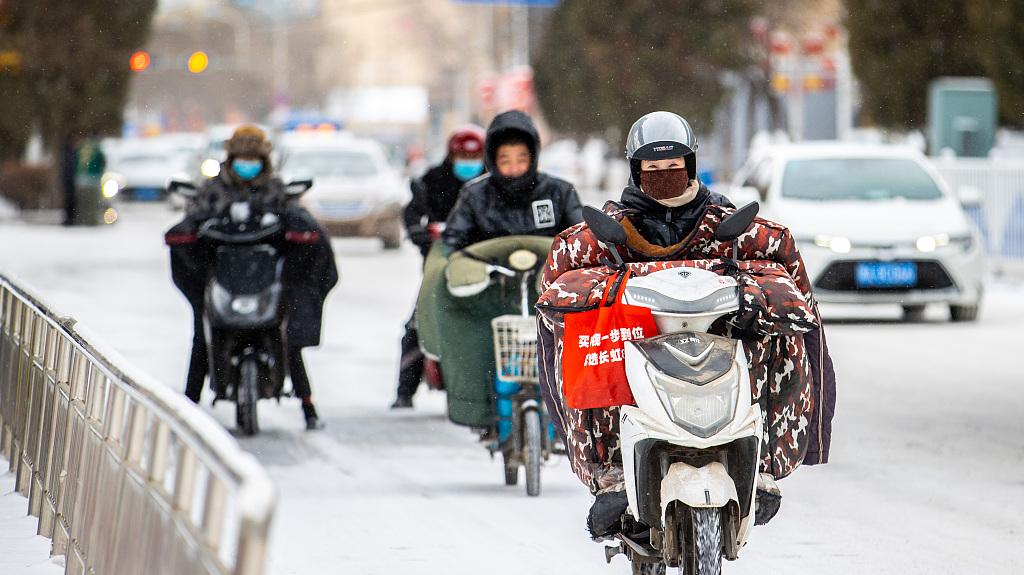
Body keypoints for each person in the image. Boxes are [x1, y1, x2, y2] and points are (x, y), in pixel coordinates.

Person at [537, 111, 836, 538]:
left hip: (720, 359)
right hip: (635, 364)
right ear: (635, 171)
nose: (664, 176)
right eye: (652, 169)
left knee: (780, 328)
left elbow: (808, 323)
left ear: (691, 166)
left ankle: (763, 461)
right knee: (585, 332)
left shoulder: (742, 233)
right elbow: (550, 324)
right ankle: (612, 471)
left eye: (674, 167)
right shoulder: (595, 240)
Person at [169, 125, 338, 430]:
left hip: (265, 279)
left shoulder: (275, 191)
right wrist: (187, 234)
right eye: (241, 158)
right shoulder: (213, 191)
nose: (247, 164)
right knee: (201, 334)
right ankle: (188, 408)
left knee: (289, 338)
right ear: (231, 158)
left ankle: (308, 405)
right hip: (222, 278)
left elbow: (299, 221)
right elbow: (193, 220)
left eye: (253, 158)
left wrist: (300, 232)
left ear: (264, 160)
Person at [392, 125, 487, 409]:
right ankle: (404, 390)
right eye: (462, 156)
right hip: (441, 264)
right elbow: (412, 213)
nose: (468, 163)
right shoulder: (433, 181)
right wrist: (418, 233)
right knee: (420, 322)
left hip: (486, 264)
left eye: (475, 156)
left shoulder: (490, 183)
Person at [441, 110, 583, 252]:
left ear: (533, 158)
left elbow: (581, 238)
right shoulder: (474, 195)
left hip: (549, 270)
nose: (514, 168)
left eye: (521, 160)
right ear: (493, 160)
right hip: (489, 270)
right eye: (505, 161)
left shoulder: (560, 192)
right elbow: (453, 241)